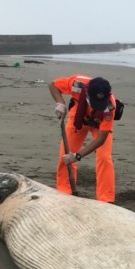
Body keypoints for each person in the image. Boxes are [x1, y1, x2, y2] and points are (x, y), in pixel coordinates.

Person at [49, 74, 117, 203]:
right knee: (65, 155)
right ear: (87, 95)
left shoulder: (109, 106)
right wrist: (60, 103)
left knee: (104, 158)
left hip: (99, 124)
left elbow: (101, 139)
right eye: (95, 103)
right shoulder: (77, 84)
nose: (97, 106)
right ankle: (64, 191)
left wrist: (78, 155)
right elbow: (53, 85)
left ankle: (106, 199)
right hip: (78, 119)